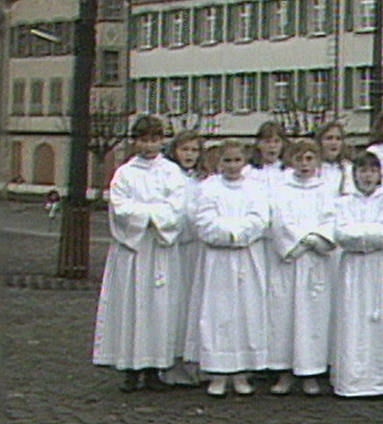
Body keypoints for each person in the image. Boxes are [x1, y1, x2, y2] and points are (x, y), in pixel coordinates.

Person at [93, 115, 186, 393]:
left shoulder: (171, 172)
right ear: (135, 141)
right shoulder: (125, 173)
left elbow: (177, 208)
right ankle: (130, 367)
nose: (149, 145)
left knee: (159, 308)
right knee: (131, 307)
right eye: (143, 140)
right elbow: (120, 207)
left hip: (159, 249)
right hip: (133, 252)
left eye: (155, 140)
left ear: (162, 141)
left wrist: (148, 216)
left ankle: (155, 367)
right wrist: (152, 214)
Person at [185, 140, 270, 397]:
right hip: (217, 261)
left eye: (237, 161)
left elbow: (260, 219)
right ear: (218, 162)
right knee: (217, 314)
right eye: (227, 161)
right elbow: (203, 222)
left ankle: (242, 372)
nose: (232, 166)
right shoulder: (208, 188)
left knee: (246, 312)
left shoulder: (256, 188)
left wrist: (238, 234)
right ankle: (217, 372)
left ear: (244, 162)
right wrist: (230, 234)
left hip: (247, 258)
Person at [266, 140, 337, 396]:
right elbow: (278, 219)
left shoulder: (326, 189)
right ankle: (284, 372)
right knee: (285, 316)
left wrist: (315, 240)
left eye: (309, 158)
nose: (304, 164)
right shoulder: (280, 188)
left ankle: (311, 372)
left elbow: (331, 218)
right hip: (289, 260)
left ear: (317, 161)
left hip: (316, 260)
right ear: (291, 160)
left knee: (313, 317)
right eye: (299, 159)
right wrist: (297, 242)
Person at [332, 152, 383, 397]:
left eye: (372, 171)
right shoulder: (343, 202)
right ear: (354, 175)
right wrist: (368, 236)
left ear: (380, 174)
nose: (367, 176)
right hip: (354, 267)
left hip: (380, 266)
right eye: (362, 171)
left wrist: (359, 234)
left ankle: (378, 379)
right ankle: (352, 381)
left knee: (381, 318)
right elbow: (341, 234)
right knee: (352, 319)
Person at [162, 129, 205, 387]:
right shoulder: (169, 177)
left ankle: (195, 361)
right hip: (175, 249)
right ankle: (171, 361)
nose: (189, 155)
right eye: (184, 150)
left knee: (194, 304)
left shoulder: (203, 181)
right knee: (174, 305)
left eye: (194, 150)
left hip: (197, 251)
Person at [248, 121, 288, 192]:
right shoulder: (248, 171)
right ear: (258, 144)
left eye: (276, 141)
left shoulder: (289, 171)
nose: (272, 146)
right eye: (267, 141)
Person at [315, 121, 353, 196]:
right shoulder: (312, 169)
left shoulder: (349, 168)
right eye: (329, 138)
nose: (334, 143)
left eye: (338, 139)